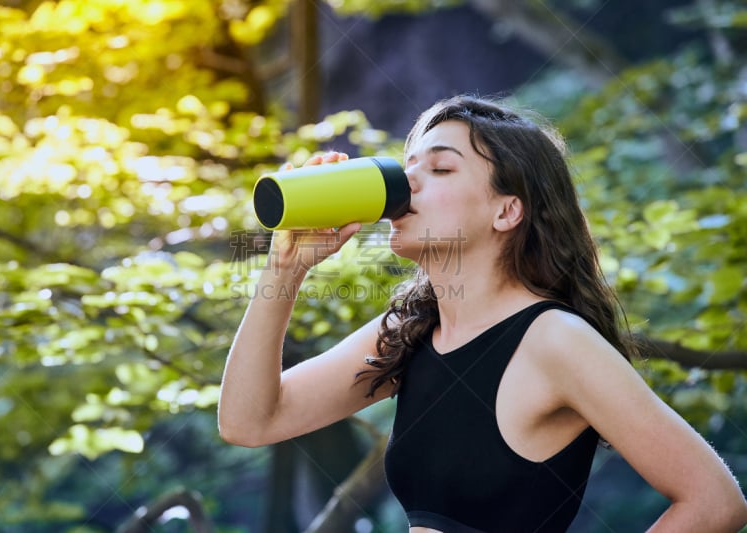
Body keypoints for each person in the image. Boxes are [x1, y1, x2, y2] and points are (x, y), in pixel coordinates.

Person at [218, 94, 747, 532]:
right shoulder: (411, 332)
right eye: (409, 169)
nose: (410, 184)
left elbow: (713, 502)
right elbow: (250, 421)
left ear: (506, 210)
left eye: (442, 167)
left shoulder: (555, 339)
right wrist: (284, 270)